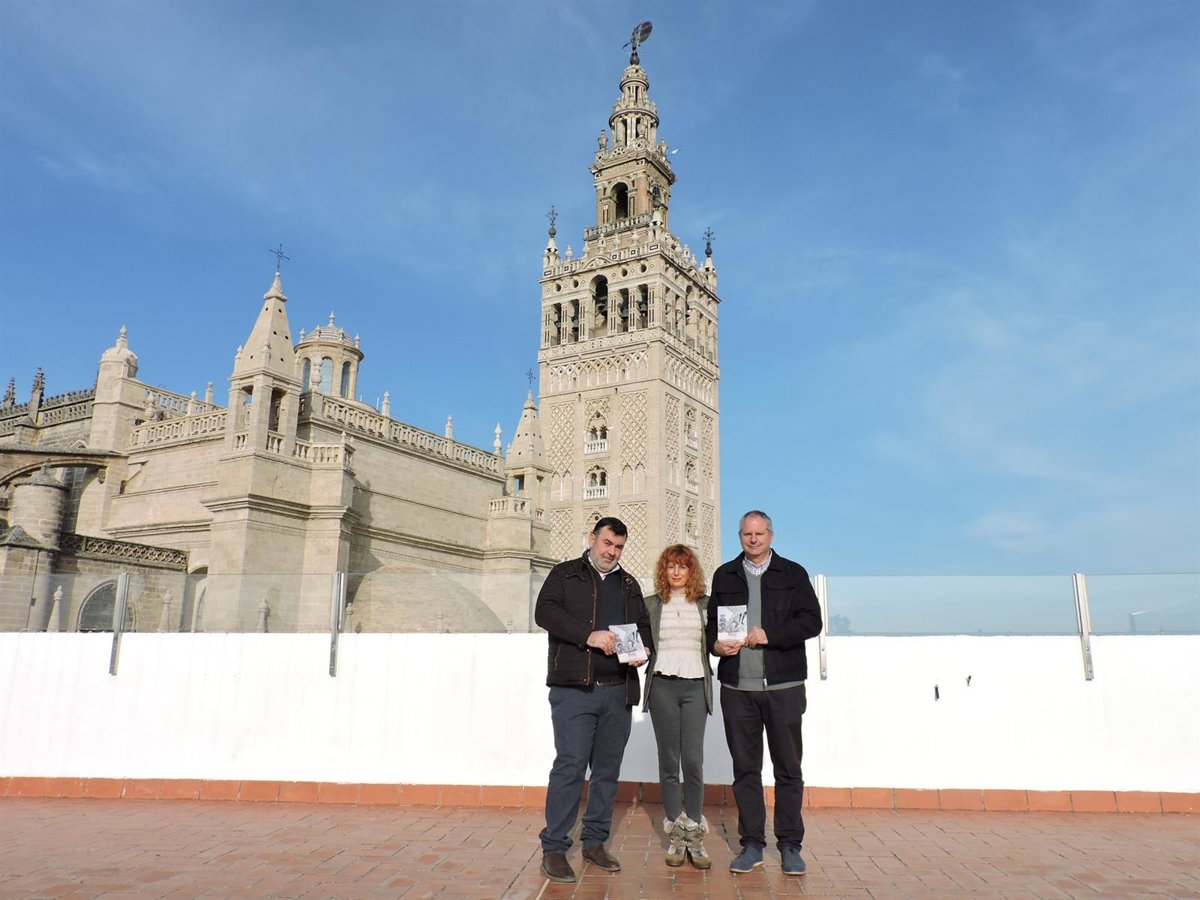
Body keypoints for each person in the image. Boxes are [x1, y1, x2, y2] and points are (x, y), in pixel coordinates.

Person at [534, 517, 652, 884]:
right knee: (570, 766)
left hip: (618, 691)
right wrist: (589, 635)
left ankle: (595, 843)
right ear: (592, 539)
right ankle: (554, 848)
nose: (611, 552)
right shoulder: (565, 574)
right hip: (575, 690)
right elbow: (544, 612)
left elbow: (644, 629)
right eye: (607, 543)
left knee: (606, 771)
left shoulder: (629, 585)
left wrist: (644, 651)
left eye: (618, 547)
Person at [707, 510, 823, 876]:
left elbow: (812, 621)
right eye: (747, 534)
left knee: (788, 768)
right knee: (745, 770)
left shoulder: (793, 573)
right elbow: (712, 625)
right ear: (740, 536)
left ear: (770, 535)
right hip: (737, 688)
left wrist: (770, 635)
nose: (753, 539)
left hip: (784, 687)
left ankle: (790, 845)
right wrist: (716, 646)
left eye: (759, 533)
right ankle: (752, 844)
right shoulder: (724, 575)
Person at [642, 544, 714, 869]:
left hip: (695, 685)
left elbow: (717, 641)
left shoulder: (705, 605)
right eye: (671, 566)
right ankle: (675, 832)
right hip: (662, 686)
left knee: (693, 761)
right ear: (664, 570)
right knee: (669, 761)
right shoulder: (651, 604)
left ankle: (695, 832)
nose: (676, 572)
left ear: (691, 571)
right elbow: (640, 642)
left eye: (682, 566)